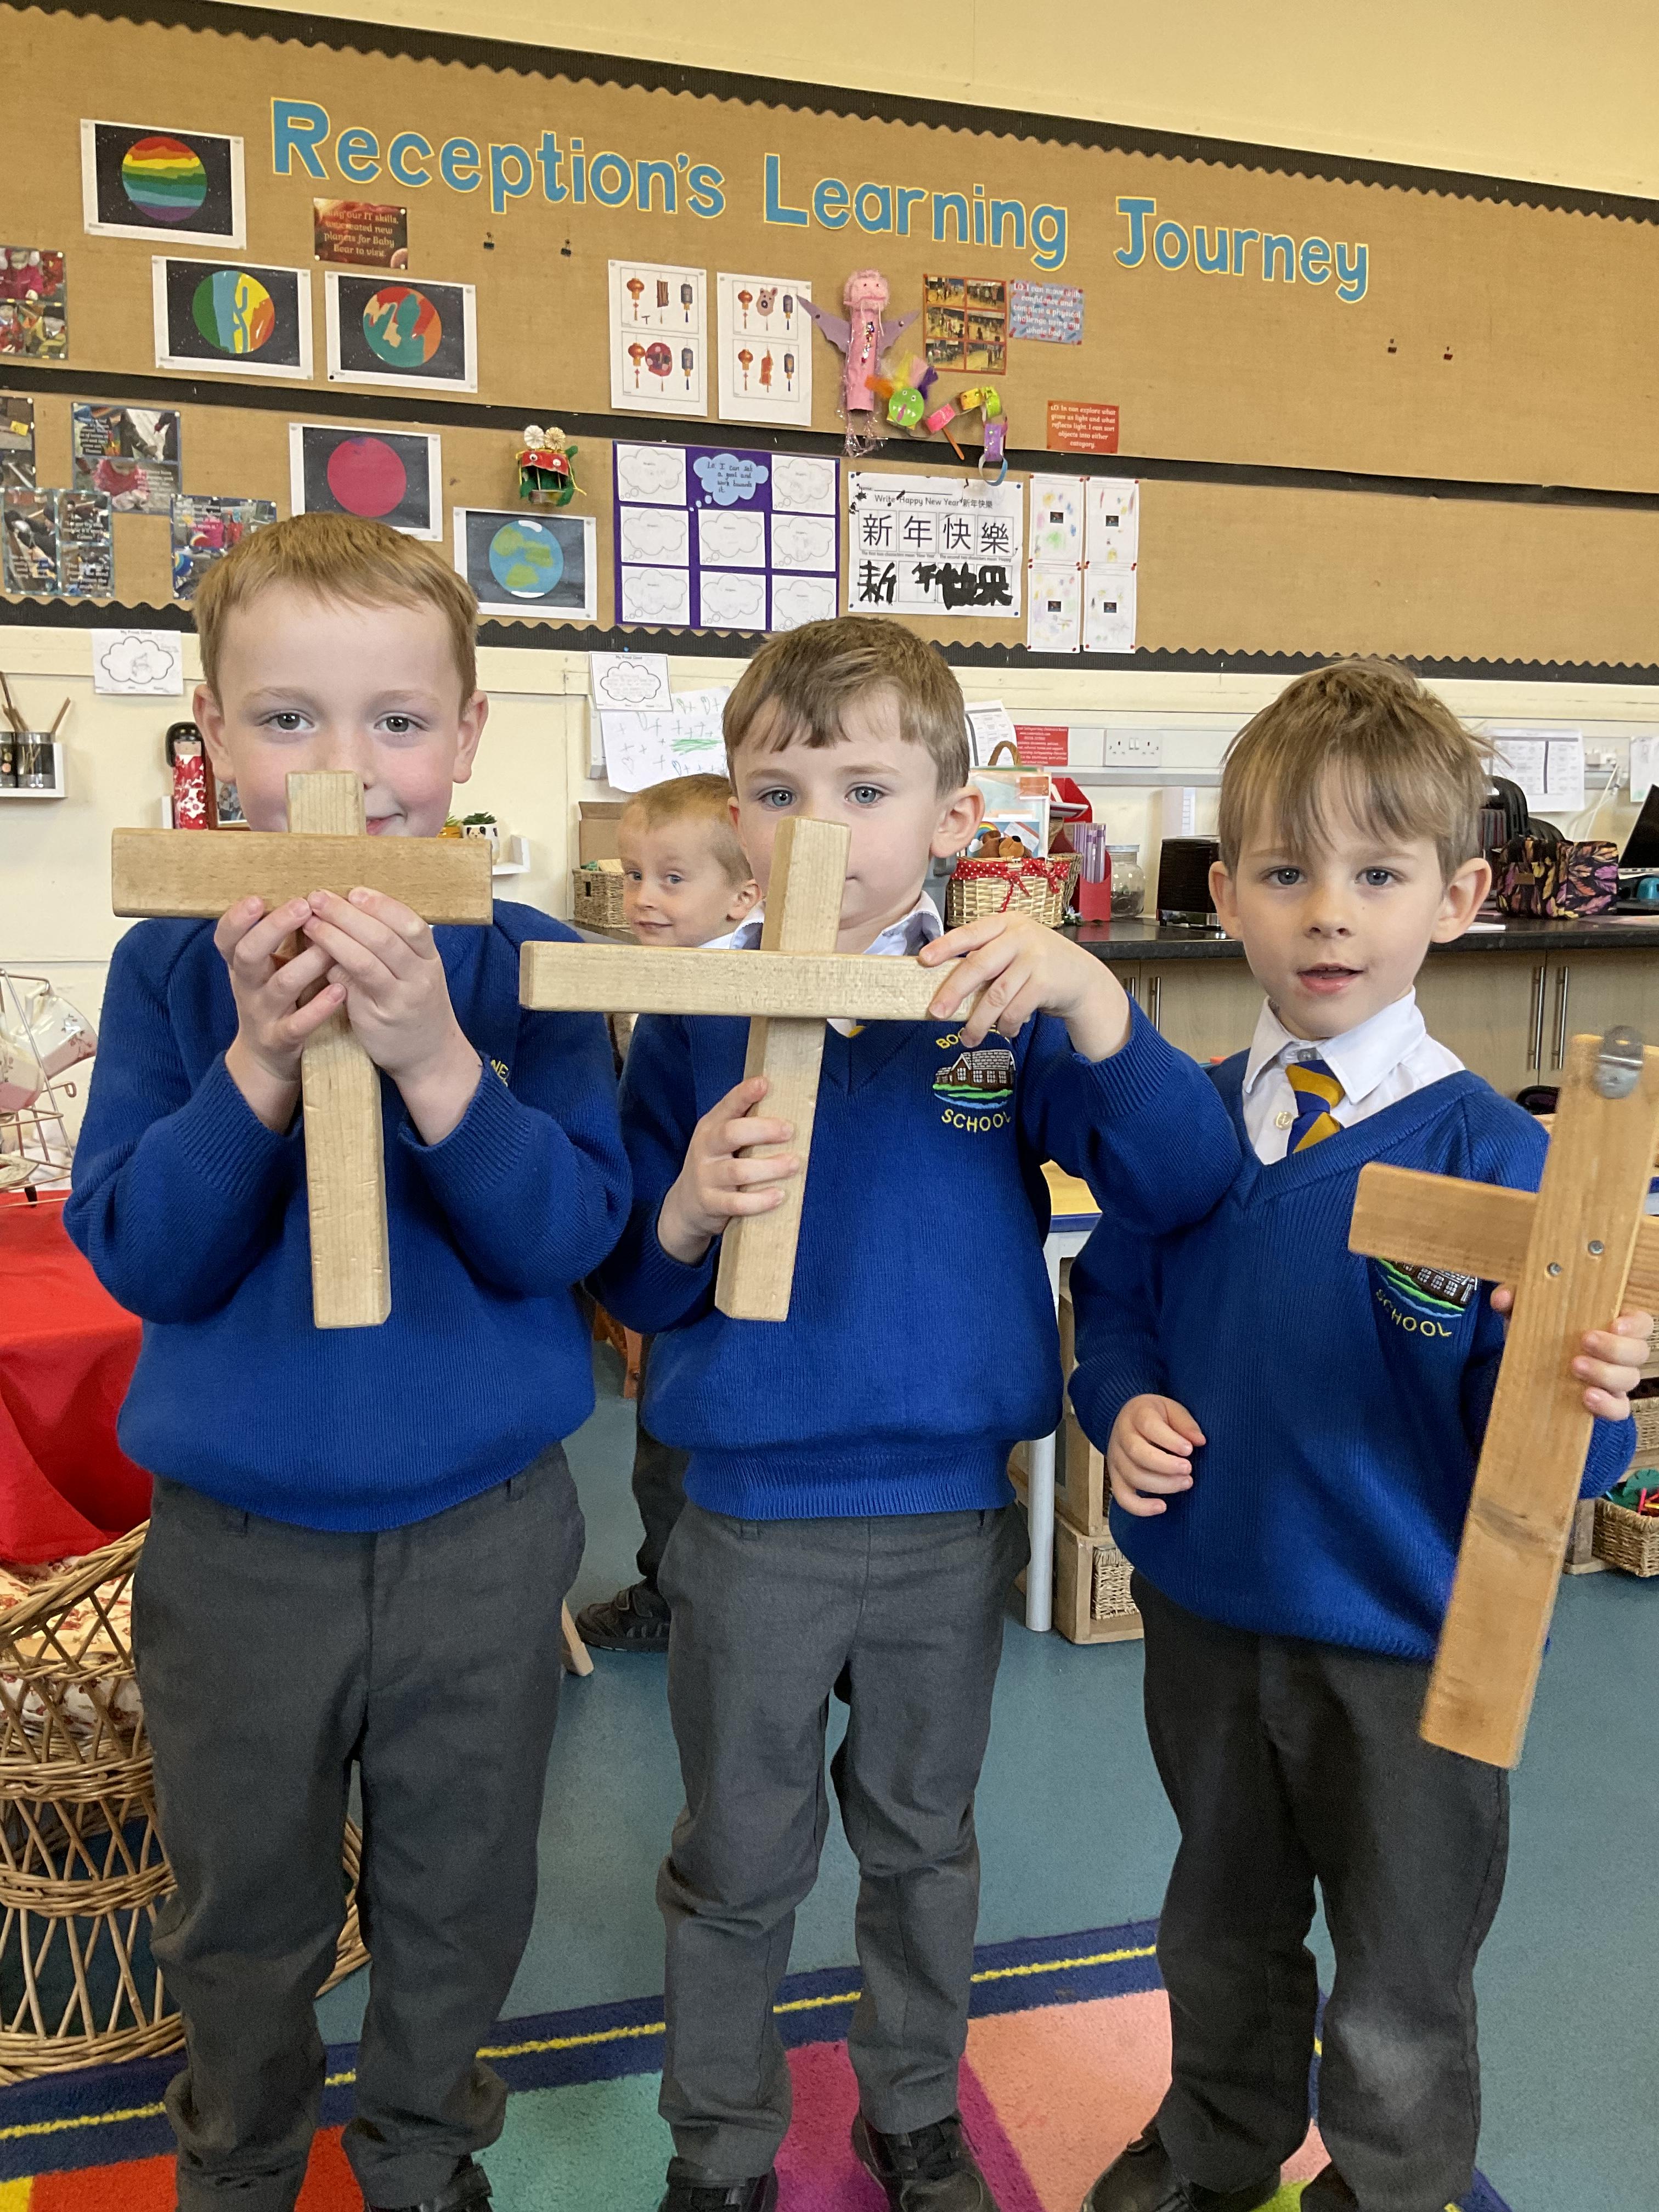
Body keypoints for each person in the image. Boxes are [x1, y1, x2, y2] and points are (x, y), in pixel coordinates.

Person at [594, 616, 1242, 2212]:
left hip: (949, 1519)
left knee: (921, 1845)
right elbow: (637, 1283)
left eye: (866, 790)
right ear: (736, 817)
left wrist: (1095, 1003)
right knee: (736, 1857)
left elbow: (1182, 1179)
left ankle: (913, 2112)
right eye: (778, 792)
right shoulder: (689, 1008)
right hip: (749, 1525)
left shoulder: (995, 1007)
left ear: (953, 818)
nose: (820, 827)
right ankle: (720, 2148)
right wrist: (683, 1210)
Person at [65, 512, 629, 2212]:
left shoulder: (526, 963)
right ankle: (239, 2169)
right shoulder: (170, 963)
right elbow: (144, 1253)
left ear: (466, 736)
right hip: (240, 1553)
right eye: (287, 717)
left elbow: (565, 1237)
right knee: (244, 1910)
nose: (346, 769)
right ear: (213, 736)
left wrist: (440, 1059)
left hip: (484, 1535)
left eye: (395, 721)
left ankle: (420, 2159)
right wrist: (255, 1062)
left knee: (463, 1893)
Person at [1068, 658, 1652, 2212]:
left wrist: (1591, 1397)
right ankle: (1217, 2149)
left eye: (1378, 876)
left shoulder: (1503, 1160)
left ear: (1458, 897)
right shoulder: (1186, 1124)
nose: (1328, 916)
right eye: (1284, 873)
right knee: (1218, 1930)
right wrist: (1118, 1401)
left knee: (1401, 1969)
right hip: (1209, 1618)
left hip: (1413, 1645)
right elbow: (1114, 1301)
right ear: (1224, 898)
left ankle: (1393, 2186)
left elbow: (1559, 1460)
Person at [579, 775, 759, 1654]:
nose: (644, 898)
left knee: (688, 1457)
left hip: (738, 1290)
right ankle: (668, 1590)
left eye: (672, 879)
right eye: (633, 875)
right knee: (666, 1456)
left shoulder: (721, 998)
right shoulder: (668, 1000)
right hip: (682, 1277)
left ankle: (684, 1594)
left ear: (744, 896)